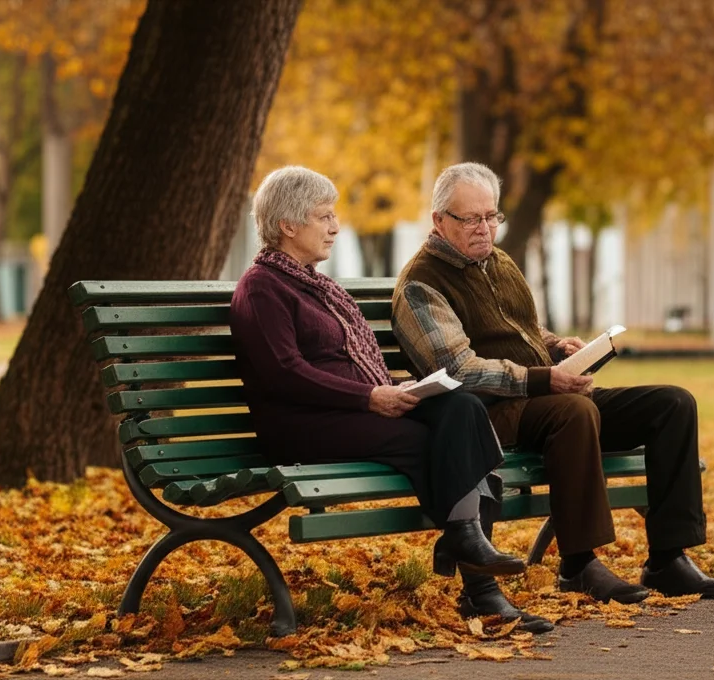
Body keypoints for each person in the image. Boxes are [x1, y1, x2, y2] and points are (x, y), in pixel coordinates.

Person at [391, 162, 714, 615]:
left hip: (547, 396)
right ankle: (577, 564)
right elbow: (459, 370)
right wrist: (543, 377)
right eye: (470, 219)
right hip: (489, 414)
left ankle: (668, 558)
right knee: (575, 411)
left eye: (491, 217)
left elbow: (522, 329)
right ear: (439, 221)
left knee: (672, 404)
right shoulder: (422, 282)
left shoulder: (498, 262)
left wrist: (557, 347)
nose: (484, 229)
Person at [228, 166, 549, 630]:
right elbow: (285, 374)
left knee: (463, 406)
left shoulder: (315, 284)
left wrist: (397, 390)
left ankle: (464, 539)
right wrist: (368, 397)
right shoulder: (263, 288)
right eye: (324, 216)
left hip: (353, 408)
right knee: (433, 443)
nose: (335, 226)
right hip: (304, 425)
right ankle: (481, 585)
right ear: (288, 226)